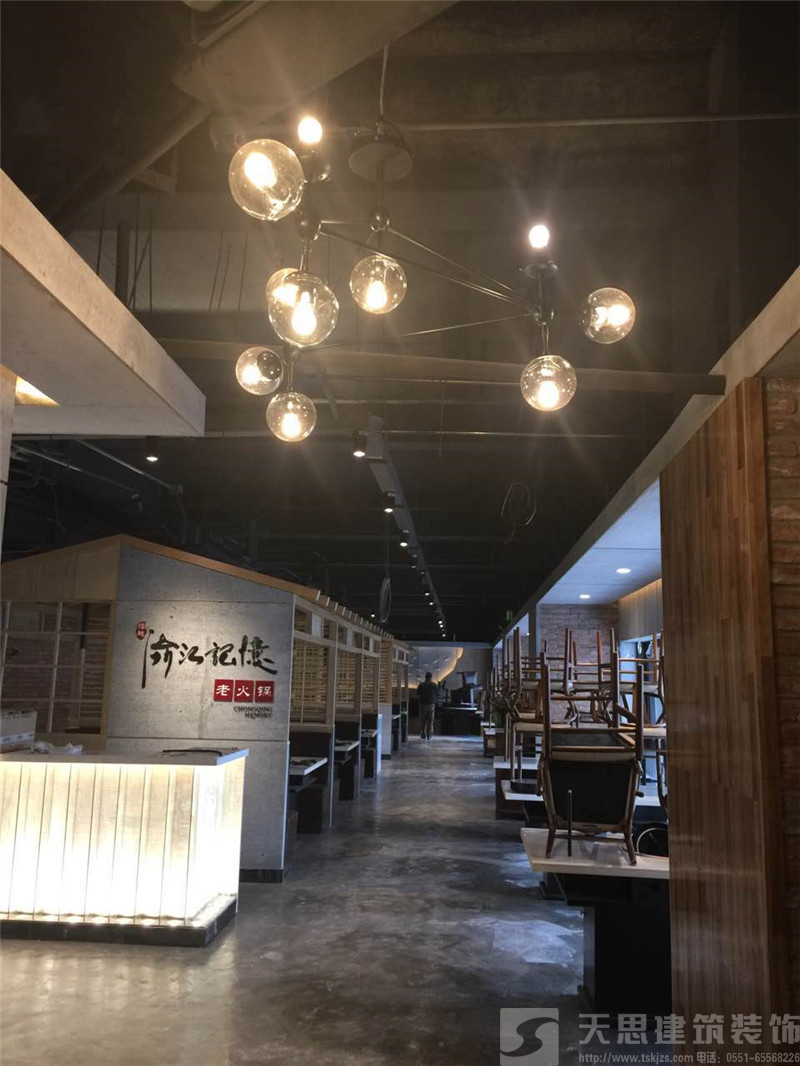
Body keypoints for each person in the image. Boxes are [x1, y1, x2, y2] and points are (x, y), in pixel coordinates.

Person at [417, 672, 438, 740]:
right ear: (431, 677)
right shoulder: (434, 685)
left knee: (423, 720)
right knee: (430, 720)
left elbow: (418, 693)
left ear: (425, 677)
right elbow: (437, 694)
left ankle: (423, 733)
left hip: (423, 704)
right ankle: (429, 735)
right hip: (431, 704)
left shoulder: (421, 685)